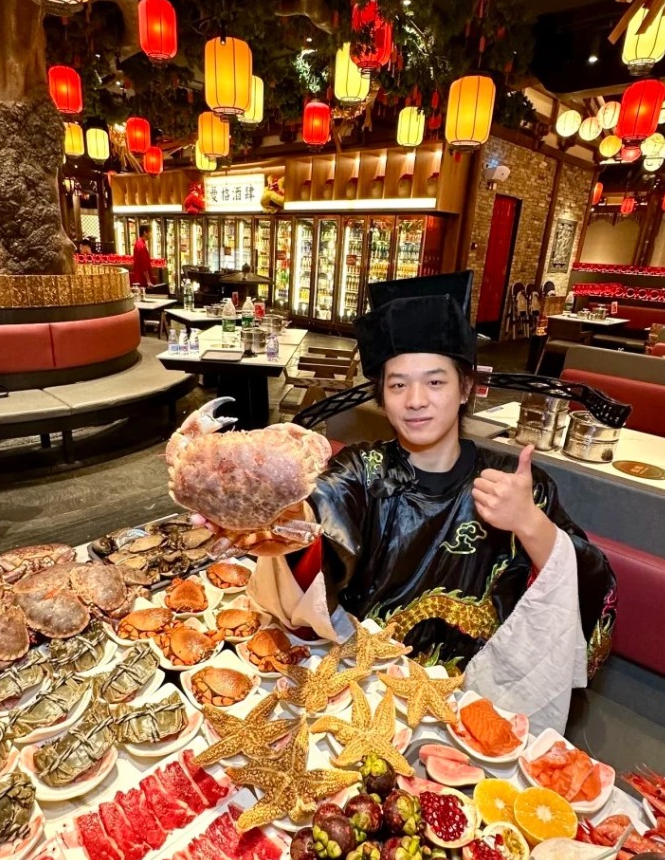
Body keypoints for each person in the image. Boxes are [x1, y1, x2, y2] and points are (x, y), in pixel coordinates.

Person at [246, 272, 616, 733]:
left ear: (466, 388)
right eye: (398, 385)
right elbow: (307, 529)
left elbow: (589, 592)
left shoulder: (518, 486)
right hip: (365, 689)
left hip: (476, 704)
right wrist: (265, 513)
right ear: (382, 395)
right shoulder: (361, 471)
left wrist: (530, 523)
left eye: (435, 382)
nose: (416, 401)